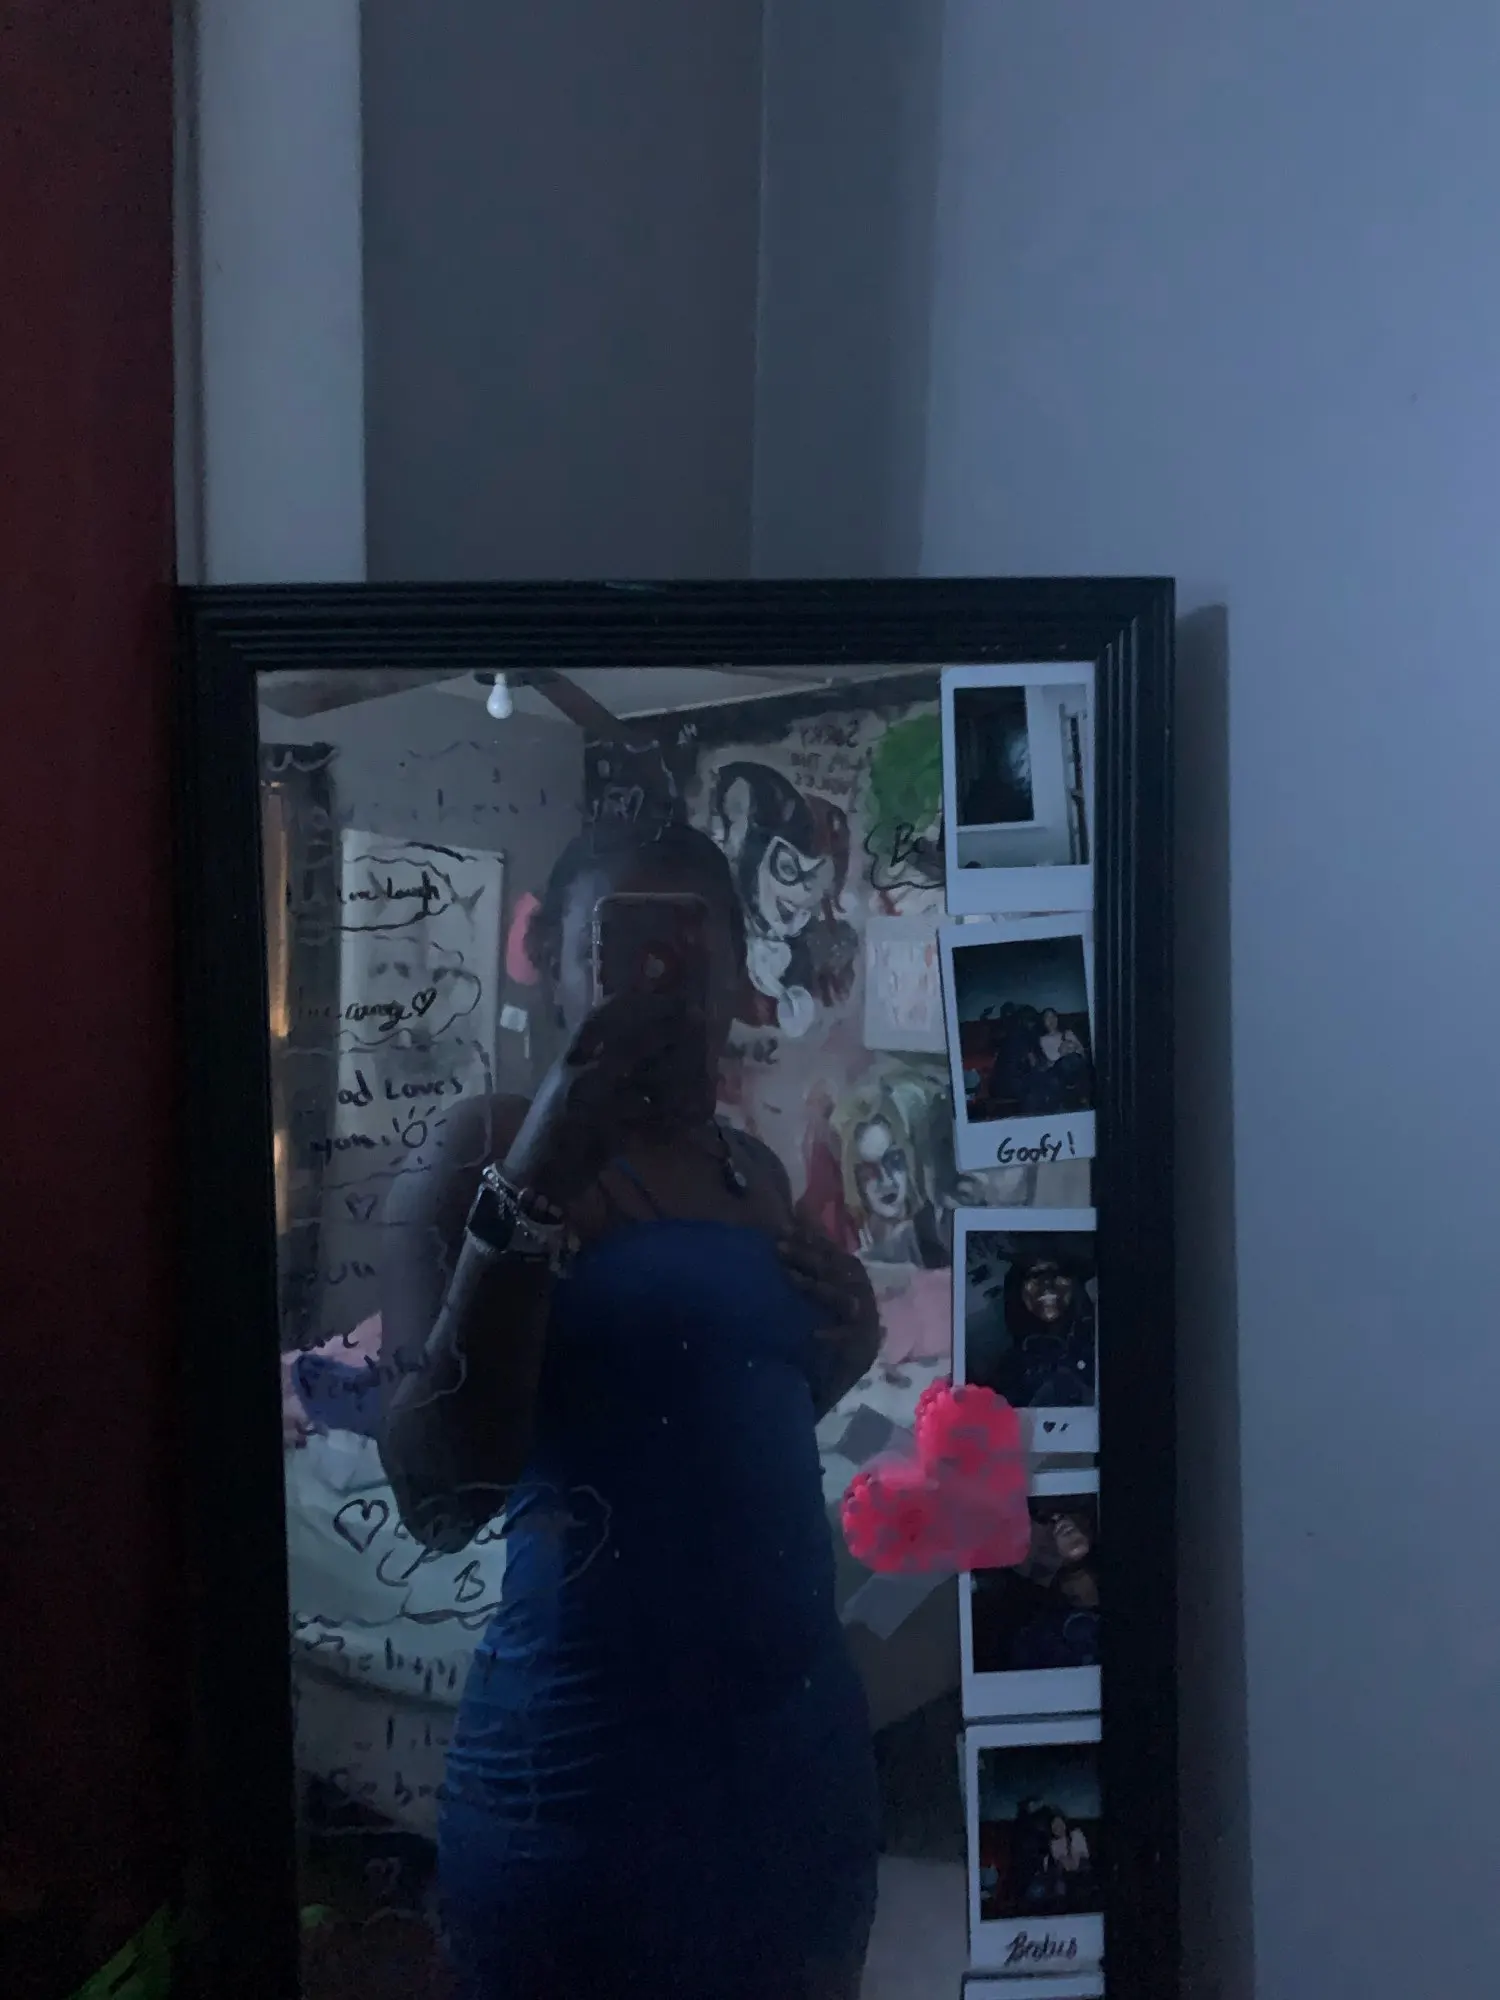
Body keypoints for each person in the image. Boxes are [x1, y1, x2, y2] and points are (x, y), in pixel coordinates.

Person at [376, 817, 883, 2000]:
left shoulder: (755, 1170)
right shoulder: (483, 1141)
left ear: (736, 977)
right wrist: (539, 1178)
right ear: (557, 968)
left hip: (801, 1770)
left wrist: (847, 1351)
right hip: (580, 1783)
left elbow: (713, 1428)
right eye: (623, 947)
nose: (666, 986)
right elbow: (439, 1498)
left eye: (695, 953)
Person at [993, 1243, 1097, 1408]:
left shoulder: (1098, 1344)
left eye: (1057, 1273)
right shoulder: (1010, 1368)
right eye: (1035, 1275)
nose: (1047, 1283)